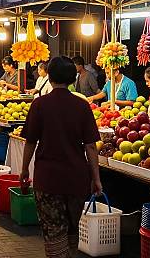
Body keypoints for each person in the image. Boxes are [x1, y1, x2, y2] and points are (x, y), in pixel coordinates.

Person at [20, 56, 102, 257]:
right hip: (76, 179)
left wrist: (23, 170)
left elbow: (30, 141)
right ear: (73, 77)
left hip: (47, 179)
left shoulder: (39, 105)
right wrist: (96, 179)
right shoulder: (82, 106)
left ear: (49, 76)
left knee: (53, 228)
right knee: (72, 228)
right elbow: (90, 146)